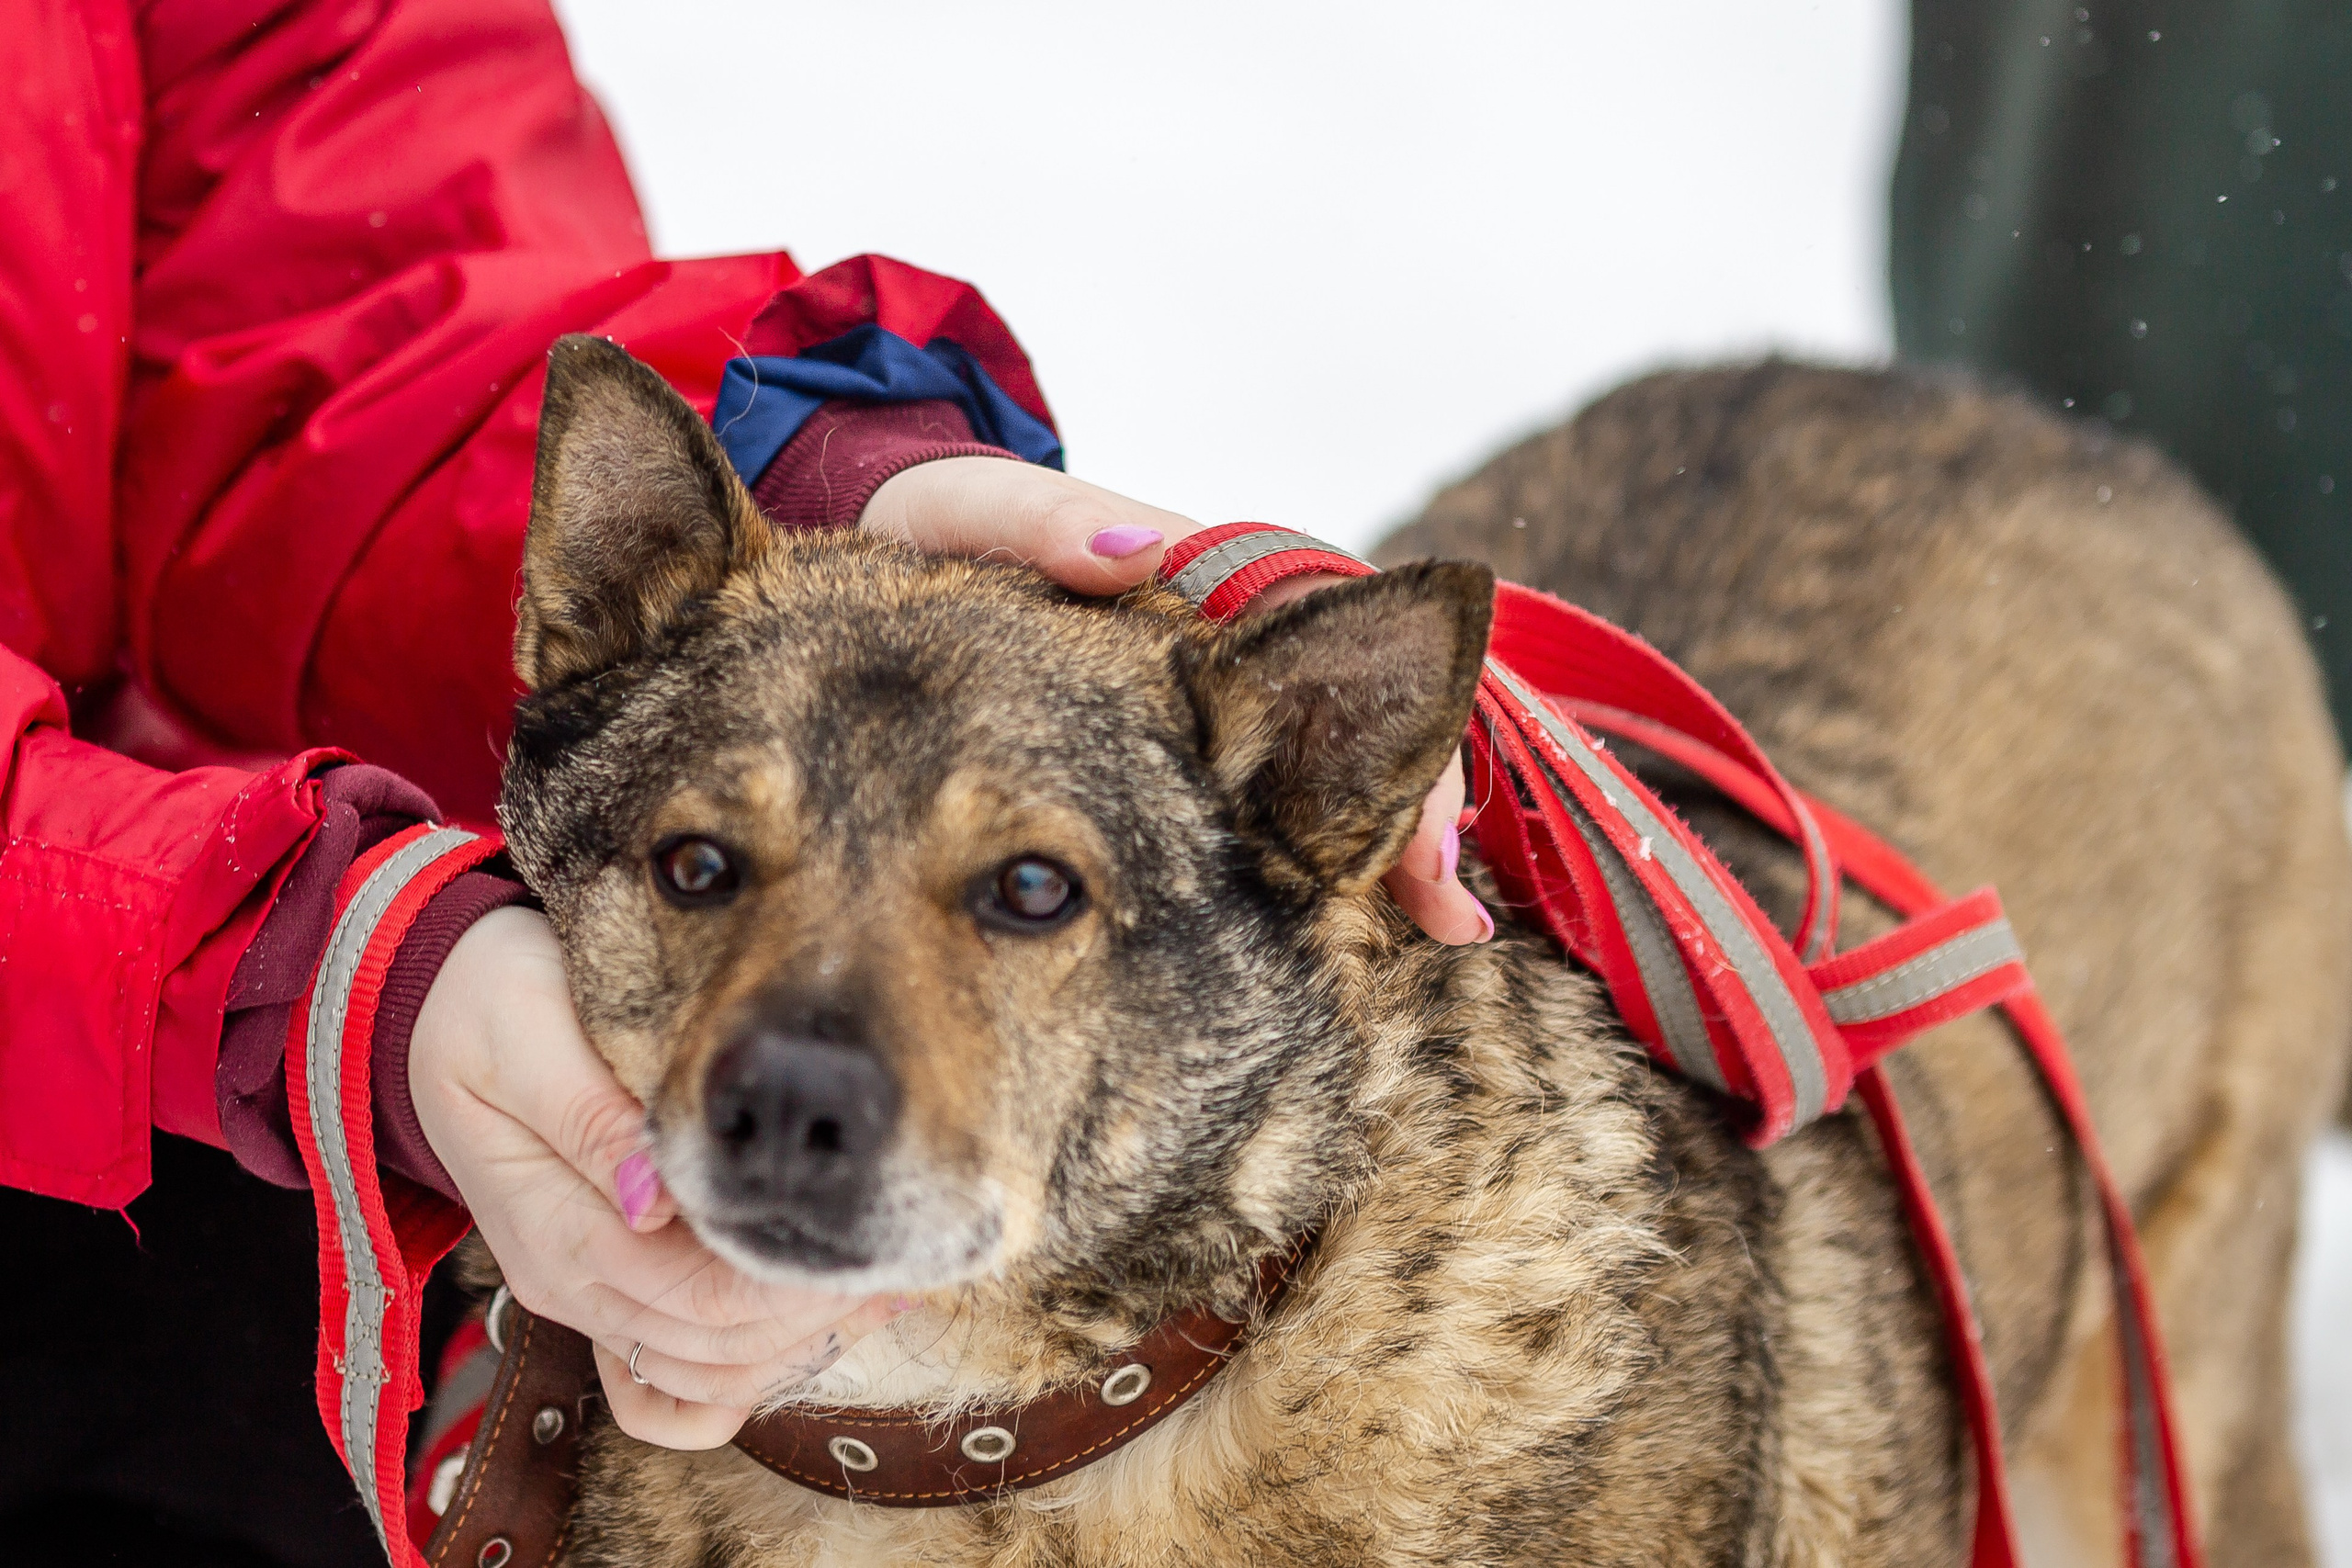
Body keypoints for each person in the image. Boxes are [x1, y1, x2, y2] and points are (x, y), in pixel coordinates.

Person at [0, 4, 1490, 1563]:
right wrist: (285, 964)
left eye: (1028, 890)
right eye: (707, 867)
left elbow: (348, 303)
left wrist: (822, 478)